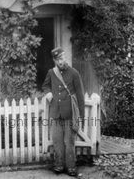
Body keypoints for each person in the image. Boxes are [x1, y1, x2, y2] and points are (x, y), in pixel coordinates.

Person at [42, 47, 85, 176]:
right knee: (57, 141)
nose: (60, 61)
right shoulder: (51, 73)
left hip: (70, 113)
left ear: (65, 58)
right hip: (55, 113)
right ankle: (59, 165)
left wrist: (81, 116)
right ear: (55, 60)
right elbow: (45, 85)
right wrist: (48, 93)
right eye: (58, 59)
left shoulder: (74, 73)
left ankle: (71, 167)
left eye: (62, 58)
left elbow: (80, 95)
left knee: (69, 142)